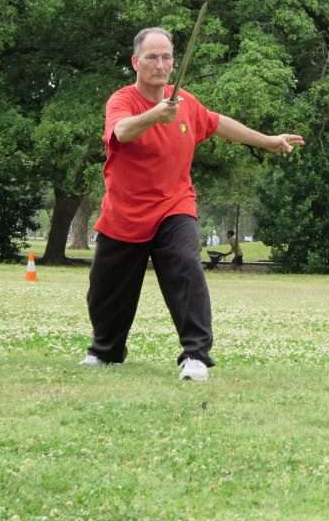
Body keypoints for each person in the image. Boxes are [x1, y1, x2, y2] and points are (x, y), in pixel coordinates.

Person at [80, 27, 304, 381]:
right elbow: (121, 132)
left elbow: (218, 123)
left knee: (187, 267)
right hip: (124, 213)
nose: (161, 64)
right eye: (152, 57)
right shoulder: (121, 101)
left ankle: (196, 356)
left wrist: (267, 141)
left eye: (167, 57)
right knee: (106, 292)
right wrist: (156, 115)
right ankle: (104, 351)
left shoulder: (185, 102)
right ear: (136, 62)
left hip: (174, 206)